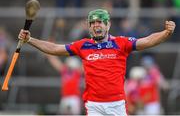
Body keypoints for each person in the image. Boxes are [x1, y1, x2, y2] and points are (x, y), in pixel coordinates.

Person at [18, 9, 175, 116]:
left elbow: (147, 41)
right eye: (92, 23)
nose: (96, 25)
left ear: (108, 25)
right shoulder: (83, 45)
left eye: (100, 22)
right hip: (93, 105)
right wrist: (30, 40)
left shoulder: (121, 43)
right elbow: (54, 48)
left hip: (117, 104)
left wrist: (166, 33)